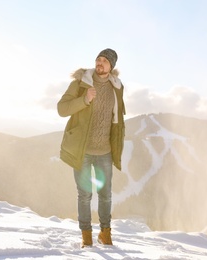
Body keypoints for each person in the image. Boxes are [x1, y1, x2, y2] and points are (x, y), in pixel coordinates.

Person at [57, 48, 125, 248]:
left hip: (105, 151)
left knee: (106, 195)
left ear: (111, 66)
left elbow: (117, 119)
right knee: (84, 195)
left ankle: (106, 233)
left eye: (104, 60)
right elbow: (62, 109)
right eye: (98, 59)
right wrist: (84, 99)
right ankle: (86, 237)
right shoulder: (80, 84)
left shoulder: (117, 87)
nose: (100, 62)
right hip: (83, 151)